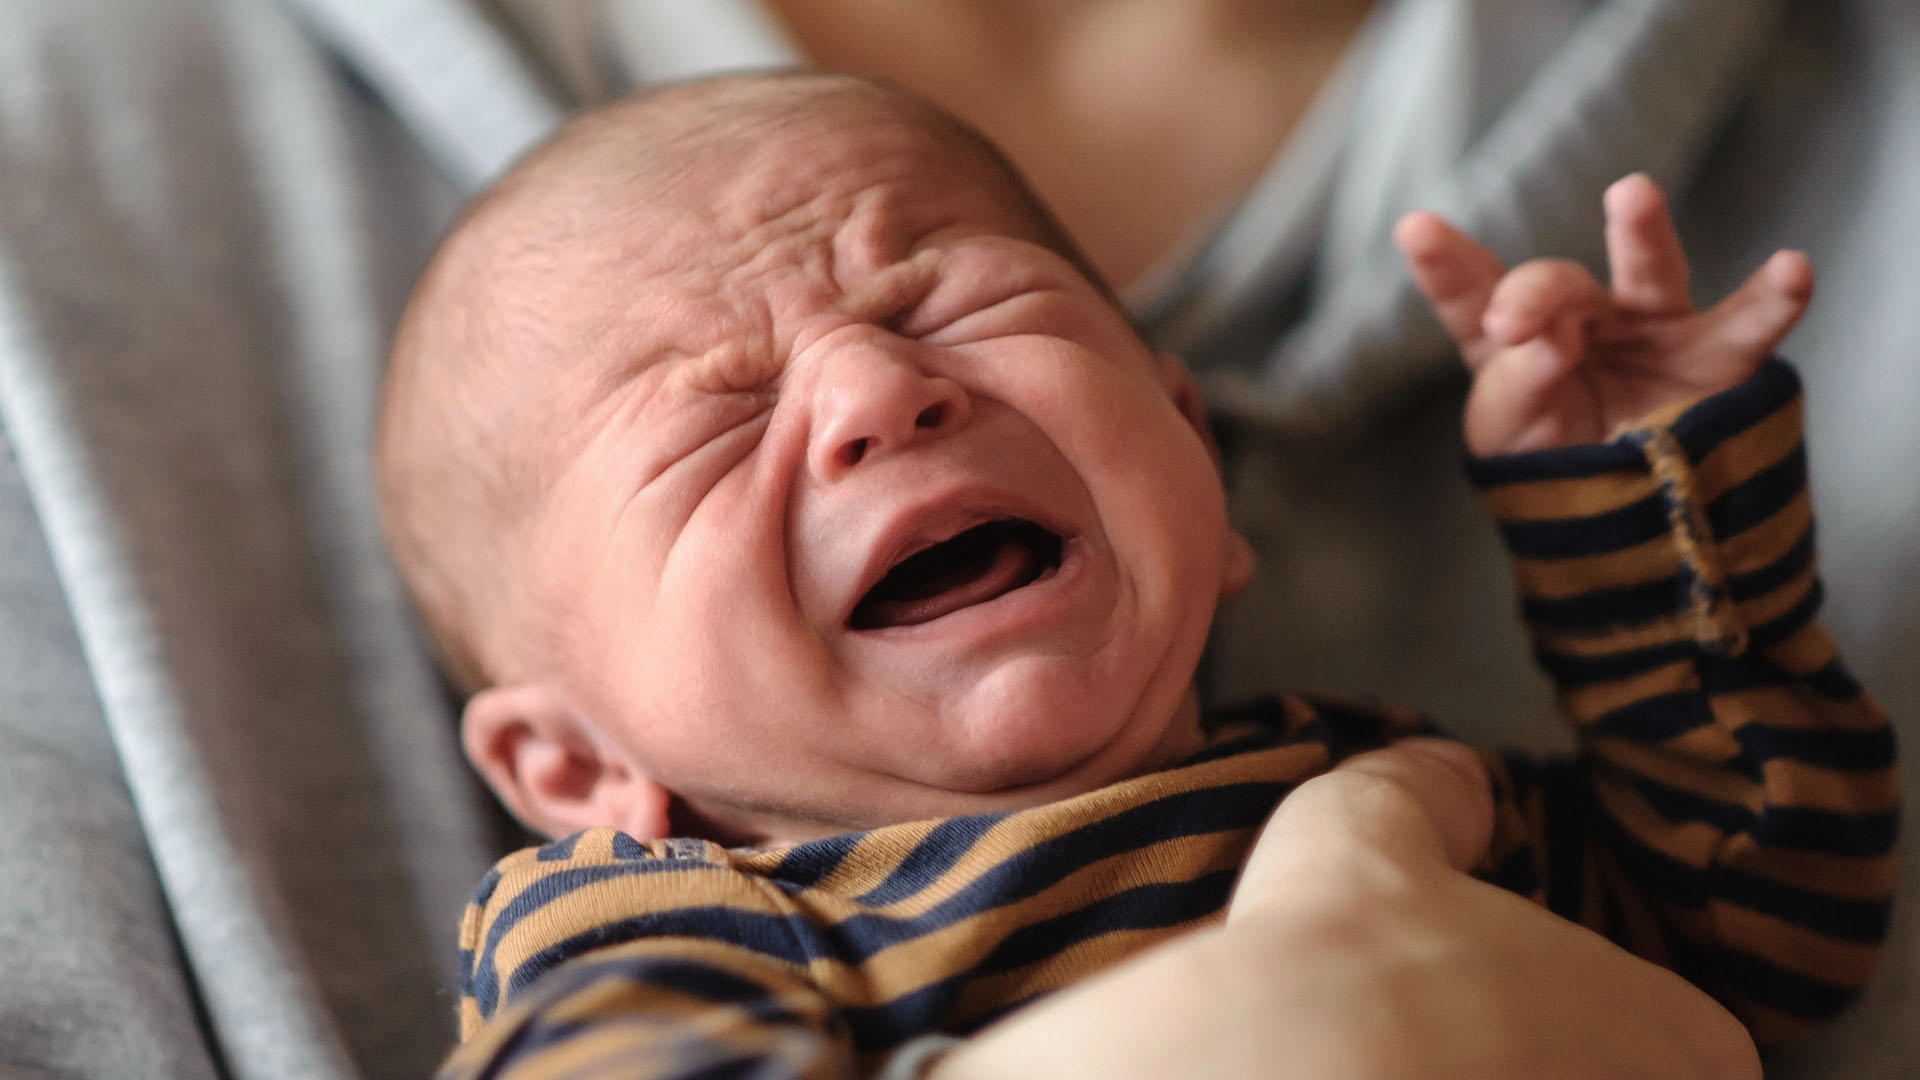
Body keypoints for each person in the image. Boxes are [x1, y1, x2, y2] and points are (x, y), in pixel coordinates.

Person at [372, 72, 1894, 1079]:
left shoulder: (1384, 785)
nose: (875, 393)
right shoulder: (675, 925)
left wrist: (1631, 503)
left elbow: (1763, 933)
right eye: (713, 409)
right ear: (572, 763)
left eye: (947, 296)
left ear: (1194, 460)